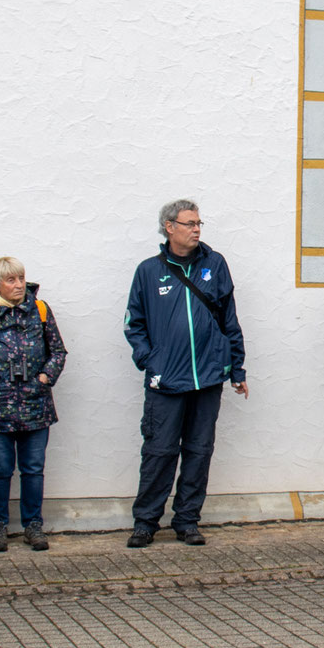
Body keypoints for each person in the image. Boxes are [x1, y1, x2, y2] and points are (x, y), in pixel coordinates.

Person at [124, 200, 247, 547]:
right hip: (166, 381)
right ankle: (145, 522)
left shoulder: (215, 264)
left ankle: (188, 520)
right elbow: (134, 324)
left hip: (208, 378)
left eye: (199, 223)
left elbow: (229, 319)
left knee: (198, 450)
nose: (196, 229)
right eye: (190, 223)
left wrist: (236, 367)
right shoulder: (149, 271)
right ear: (169, 227)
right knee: (159, 452)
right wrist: (152, 361)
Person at [0, 257, 67, 554]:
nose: (18, 284)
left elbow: (57, 351)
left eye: (20, 278)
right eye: (11, 280)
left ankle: (33, 525)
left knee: (33, 469)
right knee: (0, 469)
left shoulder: (40, 310)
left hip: (35, 404)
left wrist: (44, 379)